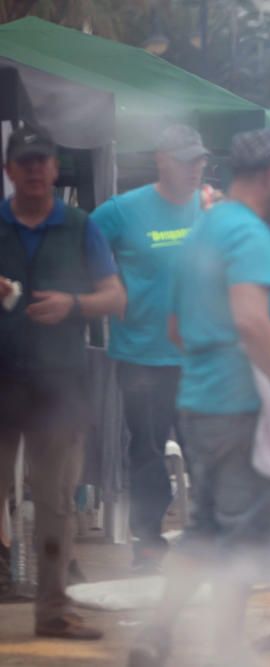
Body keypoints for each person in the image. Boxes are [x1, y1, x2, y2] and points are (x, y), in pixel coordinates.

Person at [129, 128, 270, 667]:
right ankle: (226, 650)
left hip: (197, 402)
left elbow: (175, 330)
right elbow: (251, 321)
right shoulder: (248, 236)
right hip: (241, 410)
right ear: (267, 175)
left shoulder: (202, 232)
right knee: (240, 537)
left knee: (207, 526)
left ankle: (159, 632)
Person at [0, 127, 126, 639]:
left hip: (59, 387)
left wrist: (72, 305)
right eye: (24, 162)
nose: (34, 170)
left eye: (42, 161)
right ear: (9, 170)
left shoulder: (80, 226)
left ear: (54, 169)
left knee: (55, 504)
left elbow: (115, 297)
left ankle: (53, 612)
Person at [91, 124, 208, 572]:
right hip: (142, 356)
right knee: (147, 450)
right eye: (187, 160)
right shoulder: (123, 211)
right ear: (163, 160)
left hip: (201, 358)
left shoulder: (210, 208)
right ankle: (149, 542)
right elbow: (82, 247)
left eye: (200, 160)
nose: (196, 169)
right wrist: (107, 290)